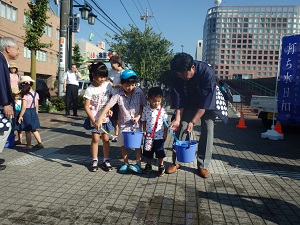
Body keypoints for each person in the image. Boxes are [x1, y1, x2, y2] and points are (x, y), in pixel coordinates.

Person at [168, 53, 228, 178]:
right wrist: (178, 118)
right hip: (188, 99)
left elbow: (206, 101)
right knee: (182, 126)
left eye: (184, 74)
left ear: (193, 68)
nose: (182, 77)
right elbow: (178, 96)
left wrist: (193, 121)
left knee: (208, 127)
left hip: (207, 101)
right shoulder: (177, 74)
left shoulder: (207, 72)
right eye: (179, 74)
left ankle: (203, 165)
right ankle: (177, 161)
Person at [96, 70, 147, 174]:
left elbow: (143, 105)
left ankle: (138, 164)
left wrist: (139, 116)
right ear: (122, 83)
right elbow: (109, 105)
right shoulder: (118, 93)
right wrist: (100, 118)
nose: (130, 88)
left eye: (132, 85)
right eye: (127, 85)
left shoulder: (139, 92)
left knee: (137, 145)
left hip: (136, 124)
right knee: (123, 145)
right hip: (123, 124)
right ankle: (126, 163)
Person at [83, 62, 114, 172]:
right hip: (94, 117)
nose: (102, 79)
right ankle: (94, 160)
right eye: (100, 76)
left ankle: (106, 160)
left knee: (106, 138)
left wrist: (110, 109)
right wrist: (93, 120)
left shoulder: (108, 85)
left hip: (105, 116)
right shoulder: (90, 89)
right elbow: (86, 106)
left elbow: (111, 99)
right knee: (95, 138)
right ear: (93, 75)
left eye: (104, 76)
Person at [0, 37, 20, 171]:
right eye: (17, 48)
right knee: (3, 130)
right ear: (8, 48)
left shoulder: (3, 61)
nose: (18, 52)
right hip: (2, 104)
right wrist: (5, 103)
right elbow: (0, 83)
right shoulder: (1, 61)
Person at [141, 87, 168, 177]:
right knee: (148, 152)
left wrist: (165, 134)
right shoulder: (146, 109)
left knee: (160, 152)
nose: (156, 103)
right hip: (149, 136)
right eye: (154, 101)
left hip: (159, 136)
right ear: (148, 99)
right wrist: (144, 130)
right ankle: (148, 165)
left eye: (158, 101)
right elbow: (144, 120)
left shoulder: (162, 111)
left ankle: (161, 166)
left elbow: (165, 124)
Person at [18, 76, 44, 150]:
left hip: (27, 112)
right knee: (34, 129)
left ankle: (28, 145)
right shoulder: (36, 94)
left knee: (27, 130)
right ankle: (40, 143)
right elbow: (36, 105)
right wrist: (36, 113)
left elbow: (24, 107)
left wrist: (20, 116)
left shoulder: (25, 95)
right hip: (33, 111)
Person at [108, 55, 124, 142]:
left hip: (121, 98)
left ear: (118, 63)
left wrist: (113, 85)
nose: (111, 66)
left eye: (112, 64)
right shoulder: (113, 72)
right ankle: (116, 133)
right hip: (113, 96)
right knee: (115, 117)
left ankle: (120, 134)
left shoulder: (123, 72)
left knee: (120, 116)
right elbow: (109, 80)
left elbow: (123, 84)